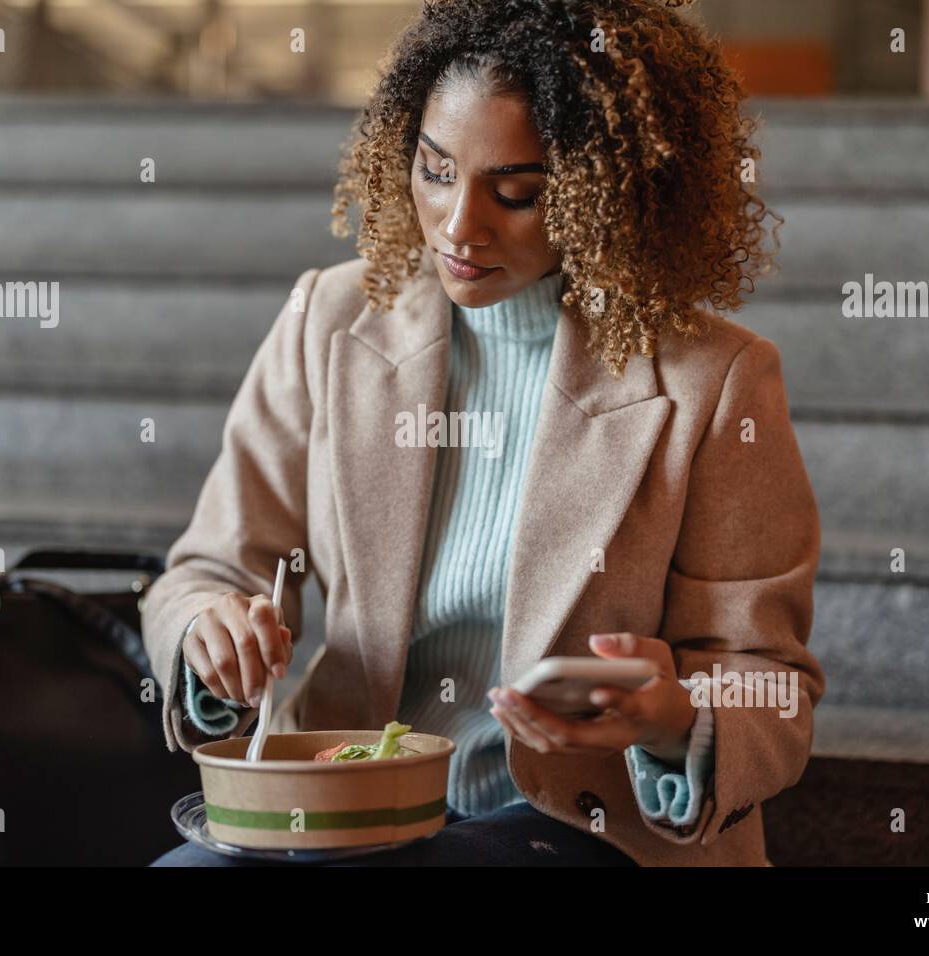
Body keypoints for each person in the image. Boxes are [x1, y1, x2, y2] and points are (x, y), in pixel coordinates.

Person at [144, 0, 824, 867]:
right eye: (434, 170)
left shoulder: (713, 381)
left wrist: (675, 717)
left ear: (603, 194)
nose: (459, 226)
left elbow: (767, 682)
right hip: (341, 798)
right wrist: (210, 634)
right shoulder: (330, 319)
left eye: (517, 194)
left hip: (578, 825)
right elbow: (205, 569)